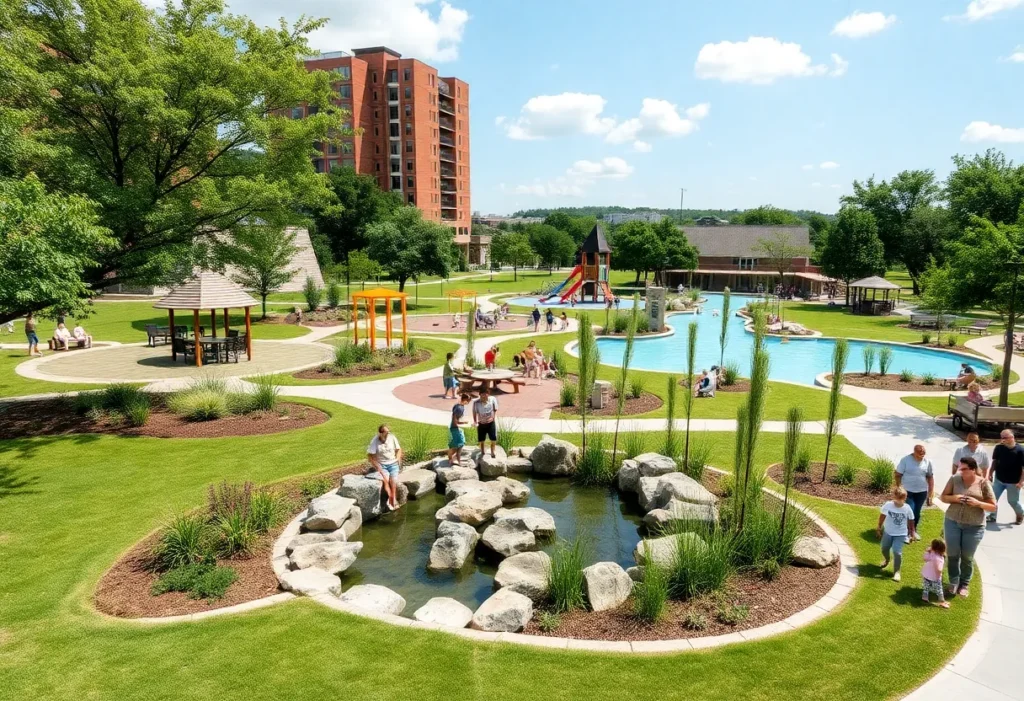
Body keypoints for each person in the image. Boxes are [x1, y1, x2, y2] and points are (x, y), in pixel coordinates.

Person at [940, 456, 997, 598]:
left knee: (967, 556)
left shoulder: (983, 483)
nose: (960, 471)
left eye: (964, 469)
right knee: (952, 554)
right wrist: (955, 498)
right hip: (952, 521)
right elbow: (943, 497)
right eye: (959, 468)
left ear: (973, 469)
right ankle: (953, 581)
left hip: (974, 526)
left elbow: (993, 506)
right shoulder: (954, 479)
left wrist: (977, 503)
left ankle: (964, 583)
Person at [895, 444, 934, 542]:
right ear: (914, 452)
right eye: (920, 452)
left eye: (923, 452)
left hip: (921, 492)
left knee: (917, 512)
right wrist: (899, 487)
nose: (922, 454)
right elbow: (898, 474)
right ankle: (906, 533)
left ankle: (913, 531)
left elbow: (930, 477)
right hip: (907, 491)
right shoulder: (906, 460)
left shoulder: (927, 462)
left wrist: (930, 493)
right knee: (910, 511)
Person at [877, 486, 916, 582]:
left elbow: (911, 520)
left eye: (901, 499)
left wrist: (912, 533)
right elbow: (882, 516)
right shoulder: (888, 505)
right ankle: (887, 560)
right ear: (894, 496)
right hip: (888, 532)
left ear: (905, 498)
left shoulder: (907, 508)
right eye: (897, 498)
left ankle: (897, 572)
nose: (899, 501)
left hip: (901, 534)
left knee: (897, 552)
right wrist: (879, 527)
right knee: (884, 549)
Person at [988, 428, 1024, 525]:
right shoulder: (999, 448)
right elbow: (995, 461)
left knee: (1013, 501)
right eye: (1002, 437)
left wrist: (1021, 482)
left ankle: (1020, 514)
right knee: (993, 499)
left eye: (1005, 438)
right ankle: (992, 516)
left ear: (1012, 437)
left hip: (1013, 482)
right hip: (999, 479)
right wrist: (990, 473)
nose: (1002, 440)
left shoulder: (1020, 450)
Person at [367, 424, 402, 511]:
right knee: (385, 481)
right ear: (380, 433)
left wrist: (398, 459)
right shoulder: (375, 441)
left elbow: (399, 449)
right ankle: (391, 500)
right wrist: (377, 466)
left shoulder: (392, 438)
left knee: (393, 481)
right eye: (385, 433)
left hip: (393, 464)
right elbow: (370, 456)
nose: (387, 434)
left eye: (388, 432)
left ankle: (393, 499)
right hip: (382, 465)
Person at [921, 539, 949, 608]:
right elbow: (938, 569)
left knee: (926, 586)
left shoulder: (931, 553)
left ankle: (925, 597)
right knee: (939, 589)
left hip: (926, 573)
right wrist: (940, 573)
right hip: (934, 576)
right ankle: (942, 601)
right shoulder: (938, 558)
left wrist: (927, 551)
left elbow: (925, 558)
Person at [473, 387, 499, 459]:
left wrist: (493, 417)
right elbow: (474, 412)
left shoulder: (492, 399)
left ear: (488, 394)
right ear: (480, 395)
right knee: (481, 439)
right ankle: (482, 450)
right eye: (482, 395)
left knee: (493, 438)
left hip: (490, 422)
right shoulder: (476, 403)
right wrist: (475, 421)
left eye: (485, 394)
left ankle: (492, 451)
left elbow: (495, 409)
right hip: (481, 423)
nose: (484, 396)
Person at [447, 394, 471, 467]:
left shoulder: (460, 406)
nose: (468, 402)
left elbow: (456, 419)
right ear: (465, 400)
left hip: (455, 427)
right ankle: (454, 459)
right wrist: (458, 425)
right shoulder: (458, 408)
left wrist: (463, 423)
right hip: (454, 428)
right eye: (468, 401)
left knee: (461, 442)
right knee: (458, 444)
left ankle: (454, 458)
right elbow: (454, 418)